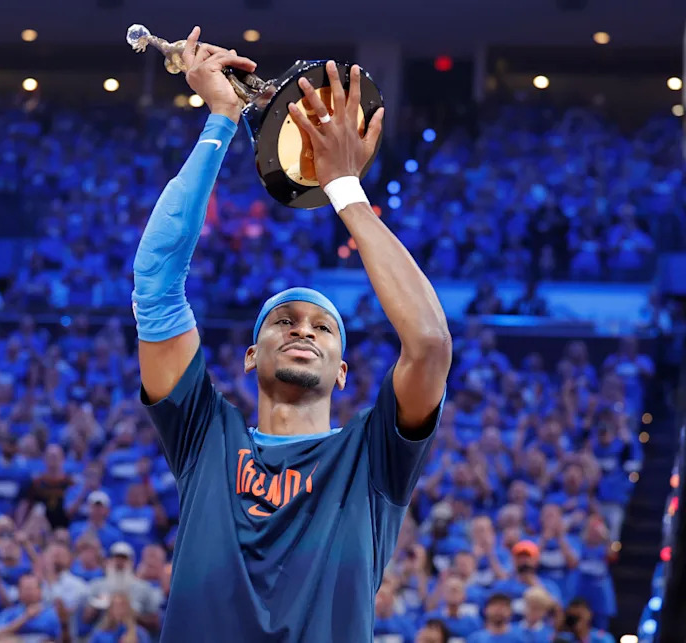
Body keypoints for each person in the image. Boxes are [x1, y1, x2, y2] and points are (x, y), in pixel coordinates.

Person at [131, 26, 451, 642]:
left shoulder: (374, 457)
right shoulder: (205, 436)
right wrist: (220, 123)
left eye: (323, 327)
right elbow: (155, 283)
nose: (303, 329)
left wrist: (344, 186)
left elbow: (431, 343)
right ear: (251, 356)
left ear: (343, 370)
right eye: (283, 321)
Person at [0, 573, 62, 642]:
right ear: (19, 592)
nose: (29, 592)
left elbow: (60, 638)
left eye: (31, 589)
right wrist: (25, 617)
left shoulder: (51, 614)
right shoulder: (9, 613)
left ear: (40, 591)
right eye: (26, 589)